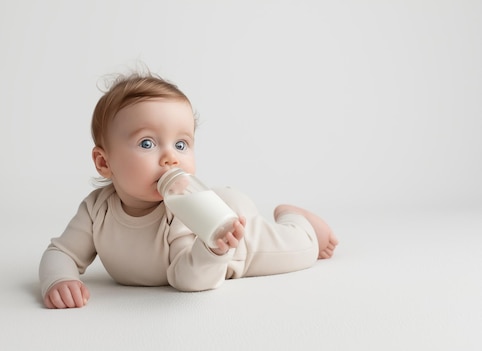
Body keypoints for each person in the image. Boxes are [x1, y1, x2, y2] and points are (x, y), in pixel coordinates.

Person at [39, 70, 339, 309]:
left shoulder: (180, 210)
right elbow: (60, 251)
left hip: (234, 238)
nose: (171, 157)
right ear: (104, 162)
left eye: (181, 144)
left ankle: (300, 221)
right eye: (147, 143)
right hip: (217, 224)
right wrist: (59, 280)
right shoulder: (96, 209)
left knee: (301, 251)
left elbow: (187, 278)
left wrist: (214, 247)